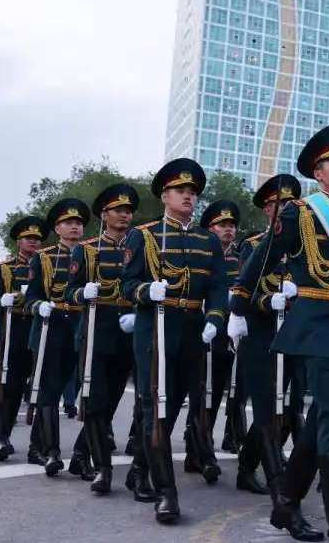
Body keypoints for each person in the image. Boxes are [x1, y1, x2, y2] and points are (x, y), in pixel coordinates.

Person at [232, 125, 329, 543]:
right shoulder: (299, 213)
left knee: (325, 414)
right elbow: (261, 261)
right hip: (314, 326)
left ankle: (285, 501)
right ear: (318, 172)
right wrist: (239, 305)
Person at [122, 157, 229, 524]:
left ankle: (139, 468)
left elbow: (218, 286)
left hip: (193, 329)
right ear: (165, 195)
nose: (188, 196)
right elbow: (126, 283)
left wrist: (215, 318)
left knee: (173, 408)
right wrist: (144, 291)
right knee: (156, 407)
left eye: (192, 192)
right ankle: (167, 494)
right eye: (180, 191)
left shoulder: (207, 239)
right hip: (156, 327)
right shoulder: (145, 234)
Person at [65, 183, 142, 494]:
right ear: (104, 214)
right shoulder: (86, 250)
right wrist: (82, 292)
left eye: (127, 211)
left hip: (128, 332)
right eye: (117, 210)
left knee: (109, 402)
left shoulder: (140, 246)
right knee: (95, 400)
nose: (124, 215)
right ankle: (103, 468)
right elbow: (69, 292)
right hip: (96, 332)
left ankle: (82, 453)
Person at [230, 173, 302, 499]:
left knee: (282, 407)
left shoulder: (304, 248)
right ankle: (265, 477)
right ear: (265, 210)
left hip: (293, 335)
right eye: (276, 205)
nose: (282, 209)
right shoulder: (252, 245)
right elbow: (244, 289)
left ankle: (248, 464)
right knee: (265, 408)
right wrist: (267, 301)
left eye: (287, 204)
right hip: (260, 334)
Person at [25, 198, 89, 476]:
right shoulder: (44, 257)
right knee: (50, 388)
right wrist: (40, 305)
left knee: (84, 387)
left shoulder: (91, 254)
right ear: (57, 228)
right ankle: (51, 452)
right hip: (54, 326)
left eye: (78, 223)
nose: (74, 227)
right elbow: (31, 298)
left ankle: (36, 446)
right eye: (68, 223)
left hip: (84, 324)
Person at [181, 199, 241, 484]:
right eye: (222, 225)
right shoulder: (198, 252)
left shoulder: (240, 258)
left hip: (228, 335)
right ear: (209, 229)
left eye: (231, 226)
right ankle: (201, 451)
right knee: (198, 394)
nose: (228, 230)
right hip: (201, 332)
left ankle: (199, 451)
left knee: (215, 395)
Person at [0, 215, 47, 462]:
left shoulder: (45, 265)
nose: (33, 242)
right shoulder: (5, 268)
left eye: (37, 239)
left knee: (36, 388)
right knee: (5, 388)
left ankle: (37, 444)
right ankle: (1, 438)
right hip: (9, 333)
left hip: (36, 329)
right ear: (18, 241)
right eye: (29, 238)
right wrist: (2, 301)